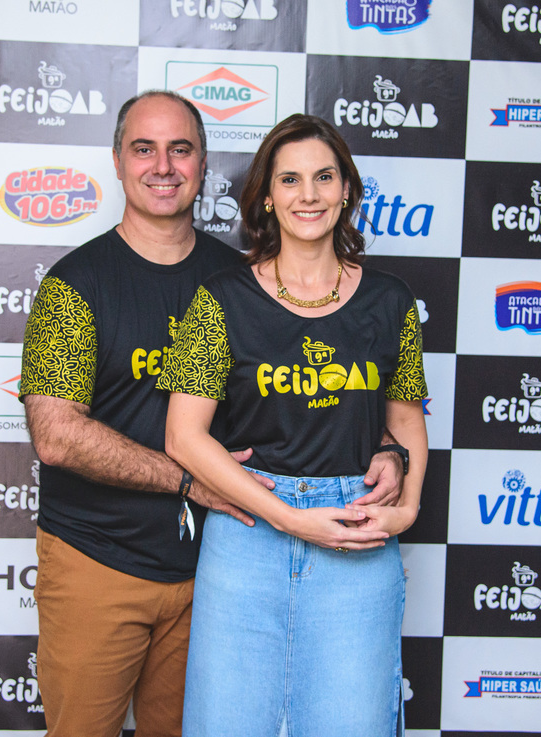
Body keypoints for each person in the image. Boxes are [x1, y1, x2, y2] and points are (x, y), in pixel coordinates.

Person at [19, 93, 405, 737]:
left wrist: (390, 447)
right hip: (99, 560)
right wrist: (187, 479)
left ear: (203, 164)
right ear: (117, 161)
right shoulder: (74, 284)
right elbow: (56, 437)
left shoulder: (245, 281)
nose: (163, 166)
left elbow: (322, 390)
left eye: (181, 149)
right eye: (144, 149)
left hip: (220, 568)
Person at [159, 113, 429, 736]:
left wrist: (408, 510)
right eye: (290, 180)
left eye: (324, 177)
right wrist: (287, 517)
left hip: (357, 532)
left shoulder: (391, 300)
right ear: (267, 197)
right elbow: (183, 437)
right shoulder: (220, 298)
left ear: (346, 190)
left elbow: (406, 422)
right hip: (250, 532)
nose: (308, 195)